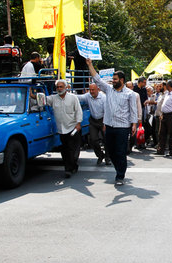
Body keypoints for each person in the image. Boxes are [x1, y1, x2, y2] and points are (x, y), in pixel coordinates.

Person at [86, 58, 137, 186]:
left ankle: (120, 175)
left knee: (120, 151)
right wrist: (90, 64)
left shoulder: (130, 94)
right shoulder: (108, 90)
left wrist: (134, 124)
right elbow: (97, 79)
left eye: (115, 79)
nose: (112, 81)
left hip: (123, 127)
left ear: (121, 80)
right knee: (111, 151)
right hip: (109, 126)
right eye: (112, 79)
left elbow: (133, 110)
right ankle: (118, 168)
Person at [46, 79, 84, 178]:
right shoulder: (53, 98)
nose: (59, 89)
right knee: (65, 150)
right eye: (57, 87)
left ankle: (69, 168)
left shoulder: (73, 98)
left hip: (72, 127)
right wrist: (34, 96)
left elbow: (78, 111)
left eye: (61, 87)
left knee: (72, 149)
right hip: (61, 129)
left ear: (66, 88)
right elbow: (42, 100)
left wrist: (78, 123)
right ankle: (69, 167)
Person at [78, 83, 110, 166]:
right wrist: (67, 94)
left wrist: (105, 124)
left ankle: (107, 157)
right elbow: (79, 97)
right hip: (93, 121)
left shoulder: (103, 98)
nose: (91, 92)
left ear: (98, 90)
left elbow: (107, 111)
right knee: (93, 140)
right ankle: (100, 155)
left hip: (103, 120)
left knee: (106, 140)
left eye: (93, 90)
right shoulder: (88, 96)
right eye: (90, 90)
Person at [157, 80, 172, 157]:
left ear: (170, 86)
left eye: (166, 85)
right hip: (164, 115)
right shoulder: (167, 93)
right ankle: (161, 150)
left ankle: (171, 152)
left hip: (171, 116)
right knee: (161, 133)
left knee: (171, 134)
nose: (165, 86)